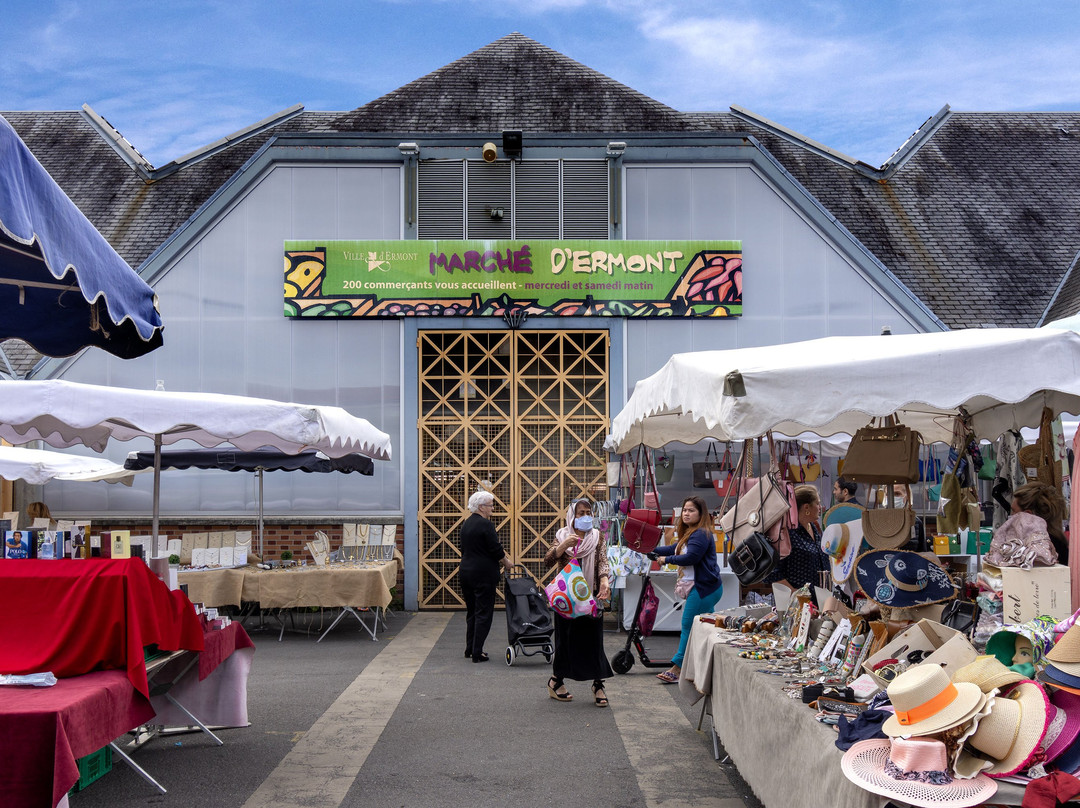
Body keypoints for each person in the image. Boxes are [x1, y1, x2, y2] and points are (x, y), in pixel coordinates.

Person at [543, 498, 612, 706]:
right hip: (567, 599)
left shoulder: (597, 537)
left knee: (594, 640)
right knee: (566, 640)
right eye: (580, 513)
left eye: (588, 512)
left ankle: (598, 685)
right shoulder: (562, 535)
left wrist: (604, 581)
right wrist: (564, 546)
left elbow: (603, 561)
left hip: (590, 597)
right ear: (572, 516)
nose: (585, 517)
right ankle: (556, 681)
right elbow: (547, 560)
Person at [652, 495, 723, 685]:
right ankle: (712, 664)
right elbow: (676, 548)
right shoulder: (692, 533)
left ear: (701, 513)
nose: (686, 513)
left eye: (691, 510)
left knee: (687, 626)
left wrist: (665, 560)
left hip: (703, 588)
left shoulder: (700, 534)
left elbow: (691, 557)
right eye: (684, 510)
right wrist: (654, 551)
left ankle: (677, 668)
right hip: (705, 588)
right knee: (708, 629)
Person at [459, 489, 512, 663]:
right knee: (484, 612)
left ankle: (469, 648)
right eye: (490, 506)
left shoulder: (466, 523)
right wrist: (507, 562)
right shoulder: (486, 525)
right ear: (481, 507)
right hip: (483, 574)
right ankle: (477, 652)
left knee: (472, 611)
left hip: (466, 572)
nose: (492, 509)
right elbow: (495, 549)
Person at [774, 485, 830, 592]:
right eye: (817, 503)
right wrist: (794, 594)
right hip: (799, 603)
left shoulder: (813, 527)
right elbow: (774, 573)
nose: (820, 507)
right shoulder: (787, 532)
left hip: (820, 598)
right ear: (806, 507)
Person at [1011, 481, 1068, 563]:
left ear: (1027, 515)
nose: (1011, 516)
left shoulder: (1042, 547)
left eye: (1014, 511)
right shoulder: (1056, 539)